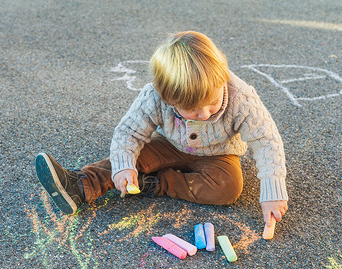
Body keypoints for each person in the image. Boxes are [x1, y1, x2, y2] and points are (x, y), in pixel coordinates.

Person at [35, 31, 288, 230]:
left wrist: (273, 192)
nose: (205, 114)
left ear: (222, 79)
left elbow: (267, 141)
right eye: (193, 110)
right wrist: (124, 165)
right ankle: (79, 185)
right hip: (169, 144)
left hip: (219, 155)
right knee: (135, 158)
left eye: (212, 102)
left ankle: (156, 184)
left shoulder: (241, 99)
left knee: (228, 187)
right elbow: (129, 132)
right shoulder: (154, 97)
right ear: (168, 98)